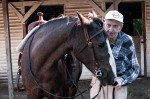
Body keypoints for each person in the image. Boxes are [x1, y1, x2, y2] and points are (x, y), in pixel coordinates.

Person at [90, 10, 140, 99]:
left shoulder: (127, 41)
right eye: (108, 25)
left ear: (121, 27)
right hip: (99, 82)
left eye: (115, 26)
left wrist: (122, 79)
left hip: (118, 85)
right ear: (104, 23)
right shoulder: (97, 38)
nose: (111, 30)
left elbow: (135, 68)